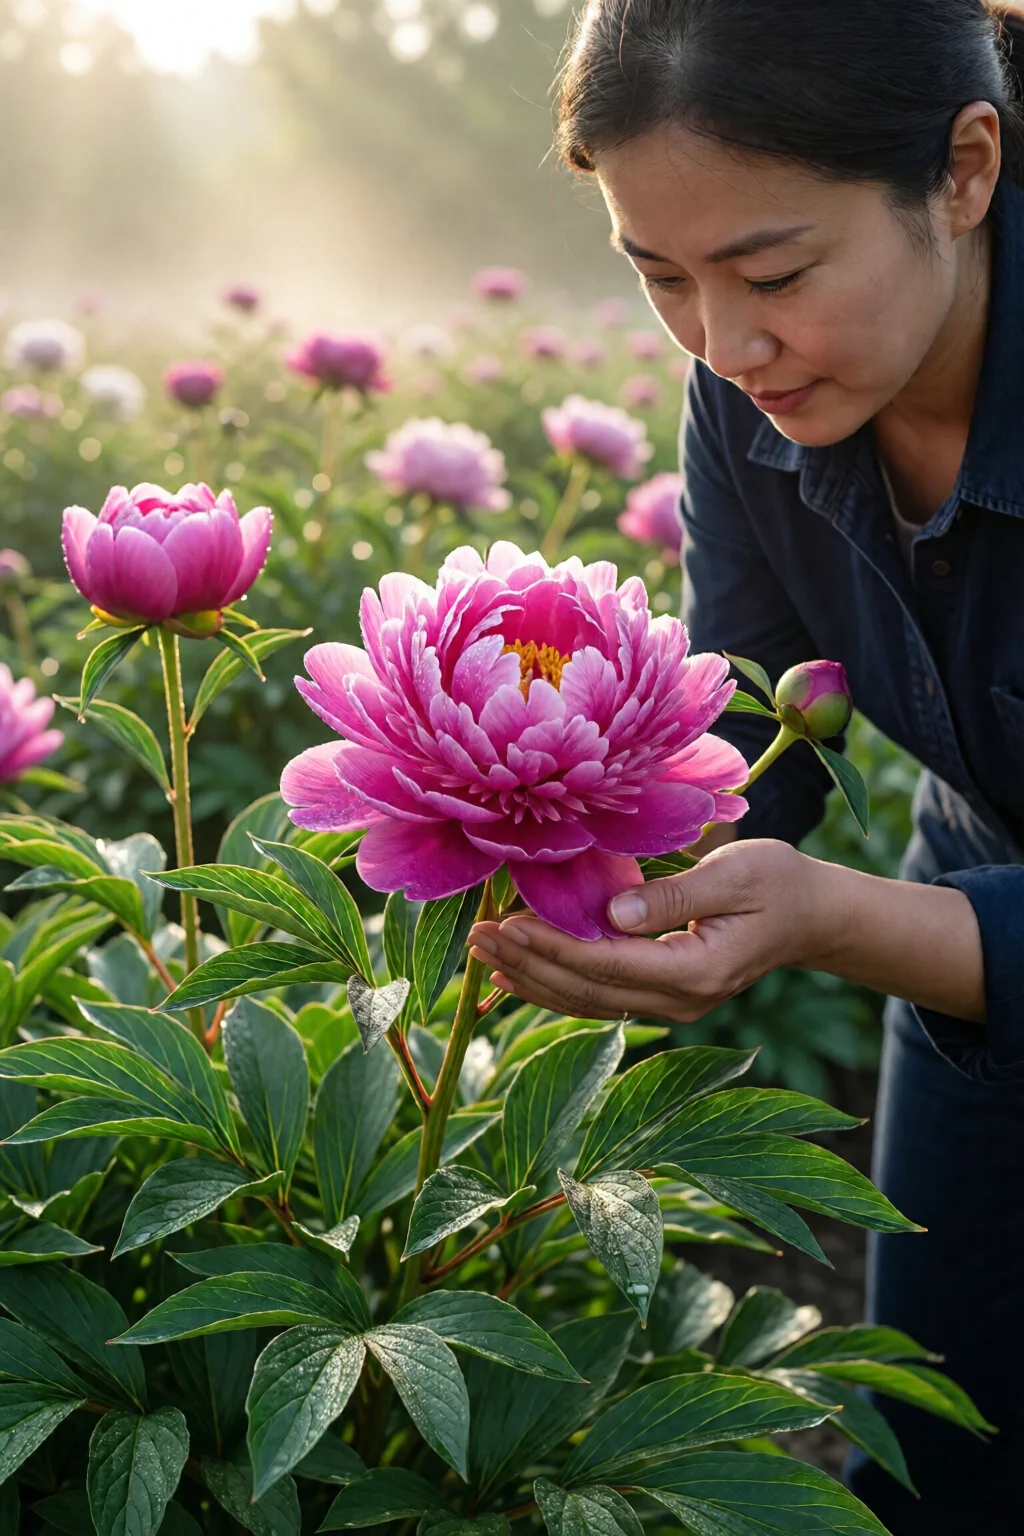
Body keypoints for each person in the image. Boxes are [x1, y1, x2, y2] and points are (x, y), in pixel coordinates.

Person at [468, 2, 1024, 1530]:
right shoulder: (747, 395)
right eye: (662, 276)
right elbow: (739, 727)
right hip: (970, 906)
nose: (724, 344)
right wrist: (578, 857)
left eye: (775, 274)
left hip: (930, 925)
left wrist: (834, 917)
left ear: (965, 170)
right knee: (937, 1450)